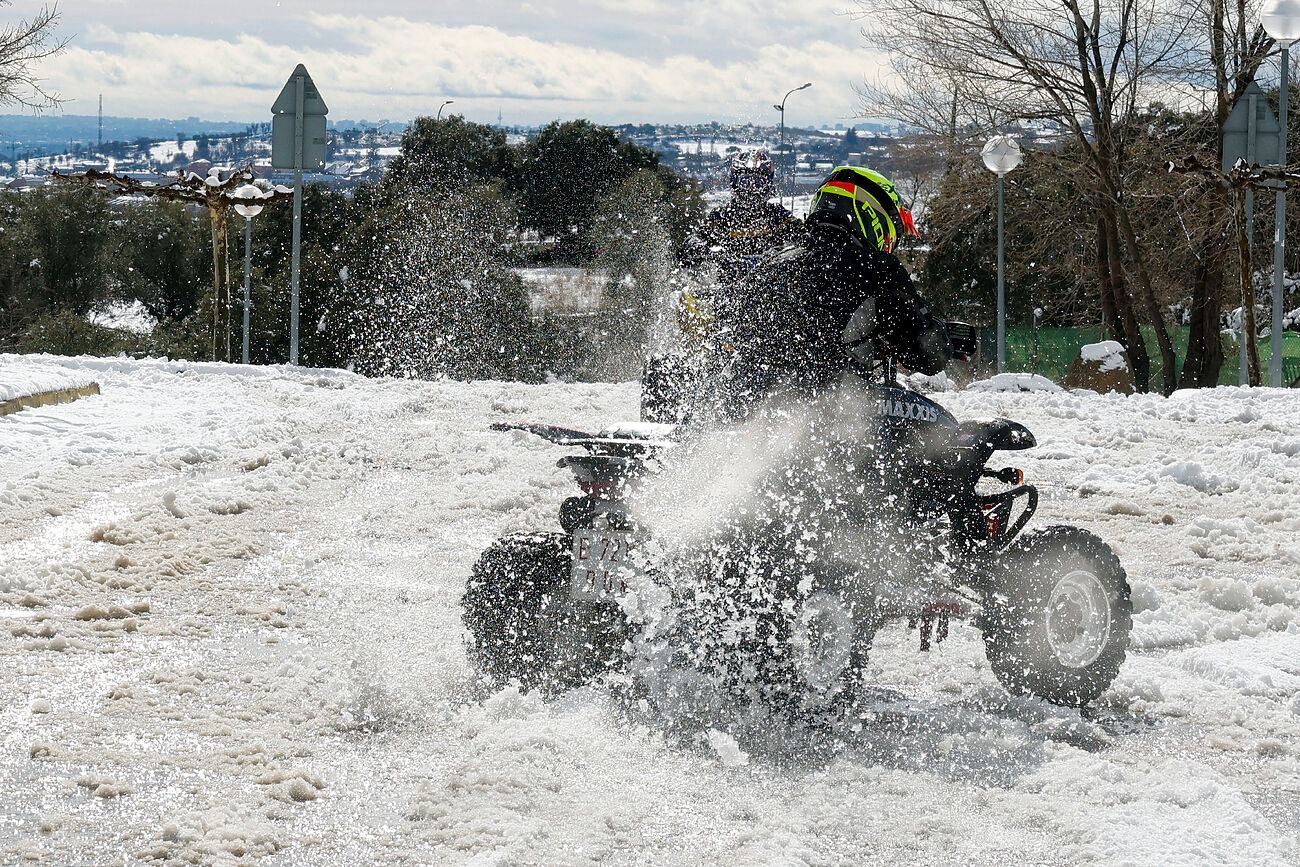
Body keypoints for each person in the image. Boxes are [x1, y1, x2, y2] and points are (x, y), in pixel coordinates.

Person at [714, 165, 950, 417]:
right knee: (940, 427)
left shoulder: (770, 262)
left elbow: (732, 332)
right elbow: (925, 356)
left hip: (750, 412)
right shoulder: (877, 267)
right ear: (873, 217)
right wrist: (939, 337)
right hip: (835, 414)